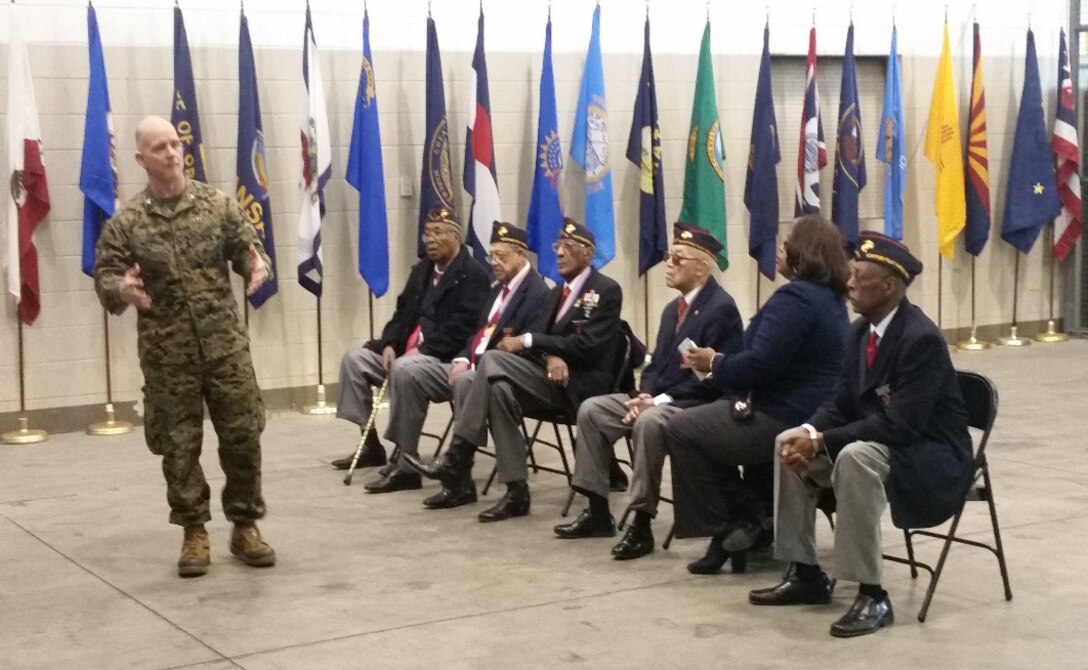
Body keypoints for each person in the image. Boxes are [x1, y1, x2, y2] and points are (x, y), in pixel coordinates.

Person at [747, 231, 973, 639]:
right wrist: (807, 431)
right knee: (788, 442)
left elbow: (901, 426)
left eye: (858, 275)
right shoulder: (858, 333)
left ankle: (872, 594)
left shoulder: (919, 339)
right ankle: (804, 573)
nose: (847, 282)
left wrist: (822, 442)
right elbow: (840, 404)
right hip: (883, 443)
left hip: (929, 453)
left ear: (888, 286)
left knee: (854, 456)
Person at [94, 116, 275, 578]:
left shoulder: (217, 206)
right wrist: (122, 290)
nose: (171, 153)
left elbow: (249, 250)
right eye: (159, 148)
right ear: (141, 159)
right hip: (167, 353)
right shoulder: (128, 222)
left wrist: (258, 268)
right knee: (178, 446)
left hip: (224, 346)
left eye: (175, 144)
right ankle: (193, 530)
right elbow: (106, 276)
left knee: (242, 436)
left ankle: (245, 525)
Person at [669, 215, 849, 574]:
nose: (780, 249)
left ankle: (733, 523)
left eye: (787, 244)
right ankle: (752, 517)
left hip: (783, 414)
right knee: (708, 425)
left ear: (804, 252)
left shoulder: (796, 298)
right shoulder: (829, 297)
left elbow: (759, 366)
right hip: (808, 411)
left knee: (682, 429)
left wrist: (714, 362)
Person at [410, 219, 622, 522]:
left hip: (581, 383)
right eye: (557, 247)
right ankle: (516, 491)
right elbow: (540, 342)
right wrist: (550, 354)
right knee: (498, 390)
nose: (560, 253)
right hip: (550, 376)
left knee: (495, 360)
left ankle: (459, 454)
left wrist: (539, 344)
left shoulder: (605, 290)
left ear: (588, 253)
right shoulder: (556, 294)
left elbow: (589, 346)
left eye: (568, 247)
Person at [552, 224, 743, 557]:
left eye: (677, 259)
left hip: (694, 406)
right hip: (660, 398)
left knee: (649, 422)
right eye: (669, 256)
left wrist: (656, 401)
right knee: (593, 410)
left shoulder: (720, 309)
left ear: (701, 268)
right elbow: (654, 365)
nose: (668, 263)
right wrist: (645, 393)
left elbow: (710, 380)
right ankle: (597, 511)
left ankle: (641, 522)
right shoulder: (673, 310)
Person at [331, 206, 489, 494]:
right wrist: (391, 343)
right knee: (354, 360)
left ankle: (406, 462)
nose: (429, 239)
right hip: (406, 352)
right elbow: (401, 314)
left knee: (405, 370)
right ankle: (370, 445)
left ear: (455, 236)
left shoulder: (473, 275)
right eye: (427, 233)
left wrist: (424, 349)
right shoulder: (421, 271)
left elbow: (464, 327)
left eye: (438, 233)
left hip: (443, 360)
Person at [394, 222, 549, 509]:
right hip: (473, 366)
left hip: (513, 377)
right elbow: (477, 333)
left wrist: (478, 367)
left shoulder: (538, 293)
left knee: (473, 382)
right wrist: (464, 358)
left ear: (520, 254)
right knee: (408, 371)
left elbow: (534, 348)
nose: (494, 262)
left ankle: (458, 471)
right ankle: (404, 460)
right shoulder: (496, 289)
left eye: (501, 256)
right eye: (491, 255)